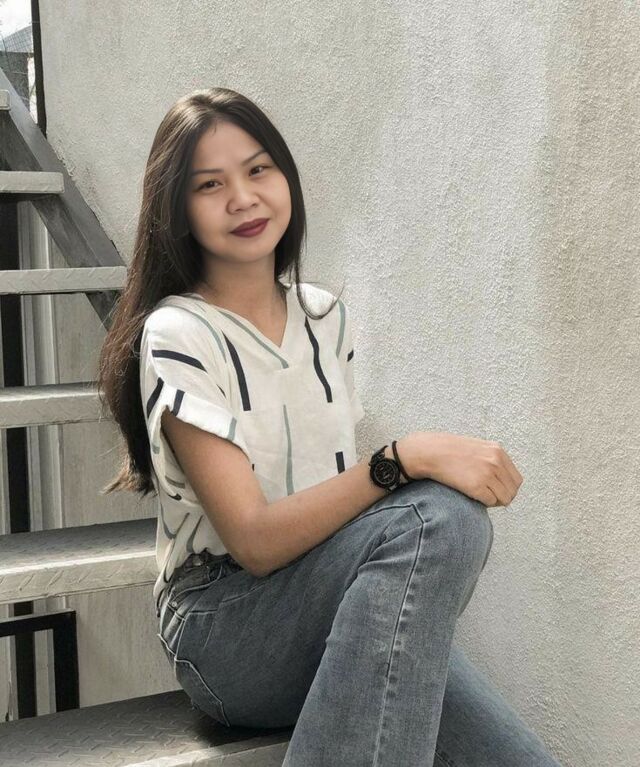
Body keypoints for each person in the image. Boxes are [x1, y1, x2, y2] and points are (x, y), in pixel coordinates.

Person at [97, 87, 563, 766]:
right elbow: (254, 541)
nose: (243, 198)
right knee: (439, 518)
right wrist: (402, 459)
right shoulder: (178, 332)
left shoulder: (323, 317)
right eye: (210, 184)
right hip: (223, 623)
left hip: (327, 595)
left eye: (258, 170)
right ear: (178, 210)